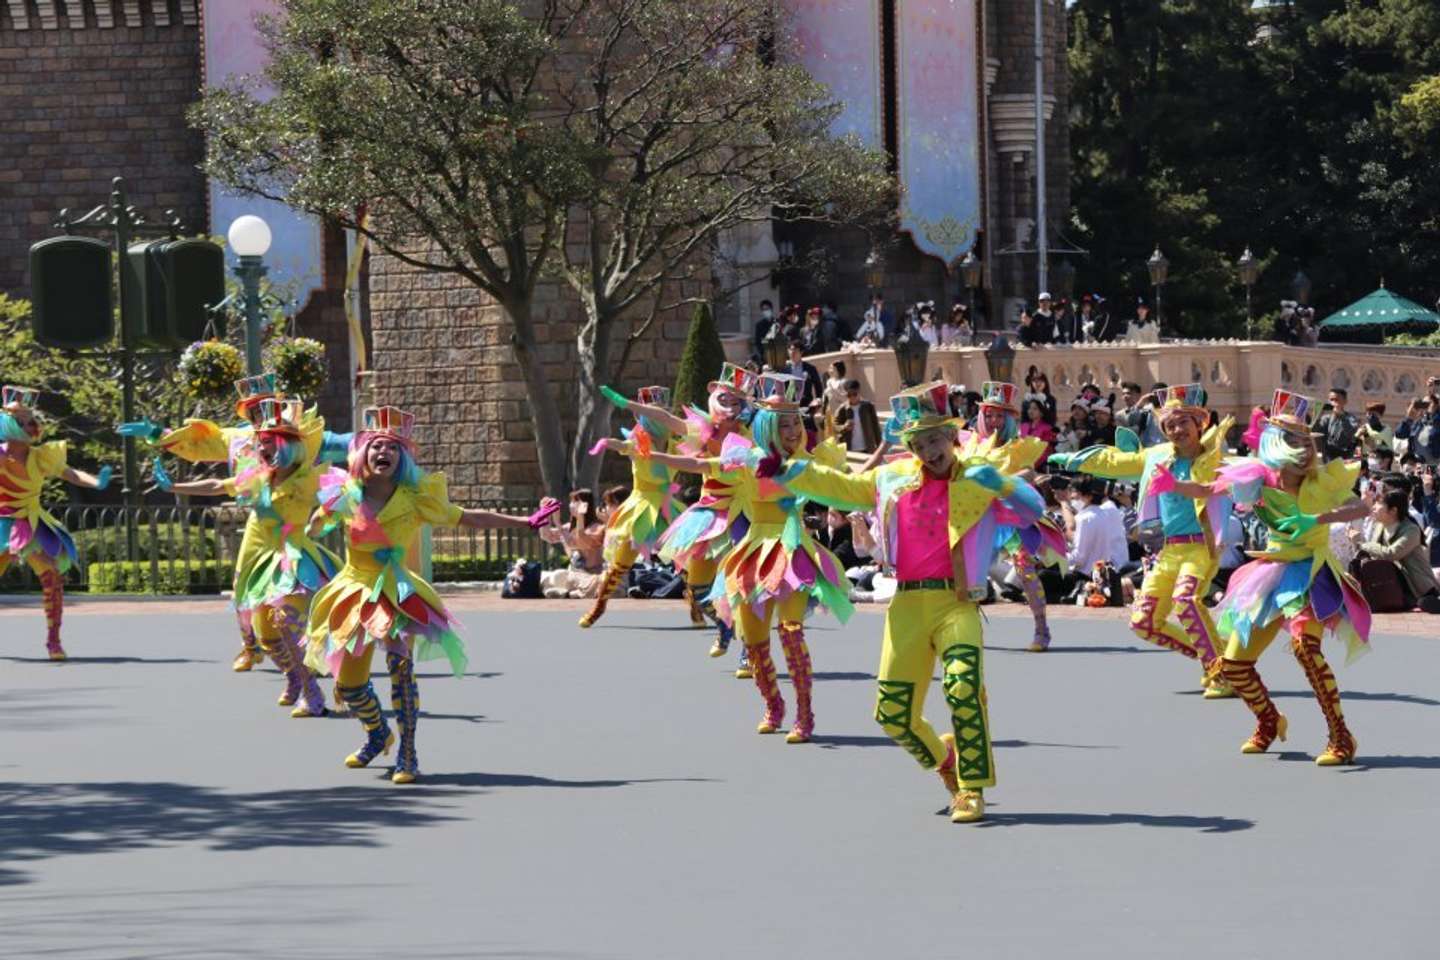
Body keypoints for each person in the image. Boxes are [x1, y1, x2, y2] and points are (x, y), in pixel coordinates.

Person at [760, 381, 1049, 824]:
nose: (927, 449)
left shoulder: (975, 477)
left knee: (963, 688)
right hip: (908, 606)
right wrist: (786, 469)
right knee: (894, 714)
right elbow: (838, 485)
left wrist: (1004, 485)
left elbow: (1033, 510)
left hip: (957, 603)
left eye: (934, 438)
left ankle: (971, 789)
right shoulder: (892, 479)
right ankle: (946, 763)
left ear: (952, 437)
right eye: (917, 442)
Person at [307, 406, 556, 784]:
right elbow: (318, 526)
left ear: (402, 457)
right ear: (362, 454)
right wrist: (316, 522)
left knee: (400, 668)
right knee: (349, 686)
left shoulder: (417, 499)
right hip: (353, 590)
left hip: (395, 591)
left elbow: (470, 517)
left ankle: (408, 751)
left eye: (392, 447)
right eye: (376, 446)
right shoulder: (347, 494)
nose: (383, 453)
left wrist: (522, 522)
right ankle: (378, 733)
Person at [621, 373, 854, 743]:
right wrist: (651, 453)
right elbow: (703, 466)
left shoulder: (809, 463)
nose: (794, 430)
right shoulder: (746, 457)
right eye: (785, 424)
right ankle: (773, 705)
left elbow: (851, 485)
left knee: (791, 632)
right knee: (755, 639)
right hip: (753, 552)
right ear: (766, 426)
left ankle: (804, 714)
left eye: (797, 422)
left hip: (792, 551)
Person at [123, 372, 353, 672]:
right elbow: (202, 448)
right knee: (244, 584)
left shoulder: (298, 436)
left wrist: (373, 441)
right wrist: (157, 434)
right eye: (254, 409)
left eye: (266, 405)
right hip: (260, 522)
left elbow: (339, 445)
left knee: (298, 588)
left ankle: (305, 649)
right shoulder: (238, 439)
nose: (260, 413)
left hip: (290, 526)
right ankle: (251, 645)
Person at [1206, 390, 1375, 765]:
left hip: (1311, 573)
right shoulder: (1258, 479)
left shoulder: (1322, 482)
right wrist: (1171, 484)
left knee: (1306, 649)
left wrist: (1316, 520)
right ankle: (1269, 720)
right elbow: (1210, 489)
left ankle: (1341, 736)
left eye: (1307, 440)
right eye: (1295, 440)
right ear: (1276, 444)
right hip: (1269, 575)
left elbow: (1363, 507)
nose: (1305, 448)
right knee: (1233, 666)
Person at [1050, 384, 1237, 698]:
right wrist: (1074, 459)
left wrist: (1177, 484)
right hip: (1170, 550)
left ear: (1199, 423)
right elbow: (1113, 461)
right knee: (1144, 622)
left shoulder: (1213, 456)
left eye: (1184, 422)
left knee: (1186, 600)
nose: (1177, 429)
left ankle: (1222, 672)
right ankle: (1218, 660)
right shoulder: (1157, 457)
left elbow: (1213, 487)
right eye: (1170, 425)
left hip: (1200, 547)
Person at [161, 397, 339, 718]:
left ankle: (313, 693)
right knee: (268, 638)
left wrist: (326, 518)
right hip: (264, 563)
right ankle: (294, 678)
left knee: (287, 624)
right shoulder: (258, 478)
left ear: (288, 446)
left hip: (296, 561)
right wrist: (174, 485)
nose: (262, 449)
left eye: (269, 443)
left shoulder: (307, 480)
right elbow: (217, 484)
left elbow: (346, 493)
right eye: (260, 444)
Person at [600, 365, 756, 668]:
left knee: (741, 586)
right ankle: (725, 627)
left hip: (741, 514)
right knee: (698, 590)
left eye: (738, 401)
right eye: (726, 398)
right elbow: (666, 418)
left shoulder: (751, 435)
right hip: (709, 515)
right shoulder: (703, 430)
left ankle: (748, 652)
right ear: (714, 399)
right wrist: (626, 404)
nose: (731, 406)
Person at [0, 385, 113, 661]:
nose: (31, 425)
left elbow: (70, 473)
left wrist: (96, 481)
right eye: (23, 420)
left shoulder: (40, 457)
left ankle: (54, 640)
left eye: (32, 419)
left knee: (51, 574)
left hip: (30, 523)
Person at [574, 387, 692, 624]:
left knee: (687, 561)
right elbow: (624, 446)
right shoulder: (637, 441)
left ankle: (696, 607)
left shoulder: (676, 442)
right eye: (652, 413)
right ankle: (599, 607)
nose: (658, 418)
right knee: (621, 562)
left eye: (661, 413)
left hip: (668, 507)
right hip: (642, 509)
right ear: (641, 416)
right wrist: (607, 443)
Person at [967, 381, 1068, 651]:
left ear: (1009, 418)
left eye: (999, 415)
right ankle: (968, 630)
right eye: (988, 414)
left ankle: (1042, 630)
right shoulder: (972, 445)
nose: (993, 420)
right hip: (980, 517)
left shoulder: (1018, 446)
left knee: (1025, 570)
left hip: (1012, 519)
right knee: (970, 573)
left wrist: (1001, 481)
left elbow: (1029, 474)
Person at [1357, 487, 1440, 612]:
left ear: (1393, 510)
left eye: (1379, 503)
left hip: (1417, 588)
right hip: (1394, 583)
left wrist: (1362, 544)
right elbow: (1375, 552)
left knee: (1424, 602)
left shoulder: (1411, 530)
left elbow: (1392, 553)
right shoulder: (1379, 526)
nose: (1374, 507)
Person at [539, 489, 609, 600]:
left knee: (594, 582)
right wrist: (544, 513)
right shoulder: (568, 528)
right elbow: (546, 536)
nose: (571, 505)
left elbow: (578, 543)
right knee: (557, 575)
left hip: (592, 576)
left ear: (586, 505)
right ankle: (568, 592)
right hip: (573, 575)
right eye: (571, 501)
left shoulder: (598, 528)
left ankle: (570, 592)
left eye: (576, 502)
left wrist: (558, 523)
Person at [835, 379, 883, 454]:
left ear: (859, 392)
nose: (852, 397)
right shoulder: (842, 409)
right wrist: (844, 427)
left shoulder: (868, 406)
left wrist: (880, 447)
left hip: (868, 448)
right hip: (849, 449)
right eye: (849, 395)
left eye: (854, 394)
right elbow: (834, 427)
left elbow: (875, 427)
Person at [1315, 388, 1360, 462]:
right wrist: (1318, 414)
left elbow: (1351, 433)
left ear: (1345, 401)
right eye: (1331, 400)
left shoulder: (1351, 418)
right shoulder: (1326, 418)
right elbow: (1316, 433)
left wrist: (1340, 415)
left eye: (1336, 400)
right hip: (1328, 458)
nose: (1333, 403)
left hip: (1344, 458)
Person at [785, 339, 824, 408]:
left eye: (795, 350)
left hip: (806, 404)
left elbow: (818, 386)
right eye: (790, 350)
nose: (792, 352)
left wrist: (818, 399)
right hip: (790, 405)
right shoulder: (785, 370)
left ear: (801, 352)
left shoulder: (810, 368)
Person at [1020, 399, 1057, 464]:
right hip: (1021, 460)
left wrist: (1031, 463)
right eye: (1029, 408)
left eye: (1035, 409)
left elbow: (1046, 451)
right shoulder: (1023, 426)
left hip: (1038, 464)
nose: (1031, 411)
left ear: (1042, 412)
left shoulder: (1047, 428)